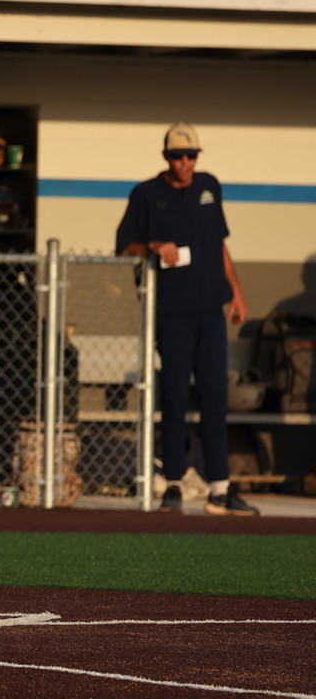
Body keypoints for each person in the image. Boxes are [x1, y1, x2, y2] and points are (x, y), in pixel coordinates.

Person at [115, 121, 258, 516]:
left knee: (215, 395)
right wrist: (153, 245)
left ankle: (220, 488)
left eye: (191, 155)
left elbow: (220, 244)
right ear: (166, 157)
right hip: (171, 312)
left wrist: (237, 294)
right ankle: (173, 484)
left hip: (210, 309)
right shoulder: (146, 194)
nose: (185, 163)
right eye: (178, 156)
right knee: (175, 396)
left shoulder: (210, 186)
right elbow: (123, 247)